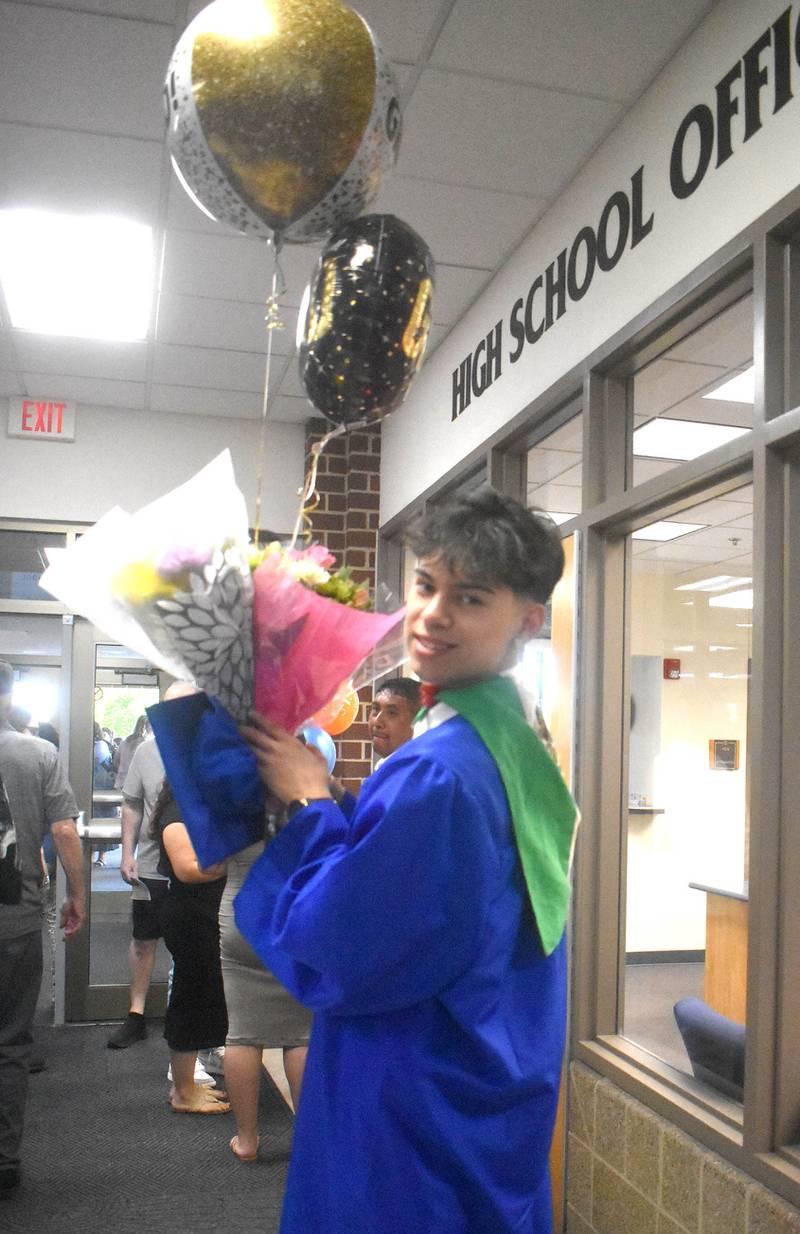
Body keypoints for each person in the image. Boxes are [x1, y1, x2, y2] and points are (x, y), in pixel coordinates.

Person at [238, 486, 578, 1234]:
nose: (433, 614)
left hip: (411, 1089)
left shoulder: (440, 772)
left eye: (471, 597)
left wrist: (309, 802)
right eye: (427, 585)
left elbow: (344, 946)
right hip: (489, 1065)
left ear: (528, 618)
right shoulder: (518, 739)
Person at [0, 660, 85, 1195]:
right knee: (10, 1041)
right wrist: (76, 893)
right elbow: (62, 828)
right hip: (15, 919)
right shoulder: (36, 753)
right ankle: (4, 1160)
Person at [108, 682, 206, 1063]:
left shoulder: (211, 751)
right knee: (144, 938)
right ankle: (136, 1014)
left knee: (194, 946)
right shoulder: (147, 752)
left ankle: (188, 1021)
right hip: (151, 863)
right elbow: (132, 804)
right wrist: (126, 853)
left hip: (198, 867)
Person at [219, 830, 312, 1161]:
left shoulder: (231, 794)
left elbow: (210, 863)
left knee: (242, 1033)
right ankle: (307, 1141)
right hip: (294, 911)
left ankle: (247, 1141)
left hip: (241, 910)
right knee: (302, 1034)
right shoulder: (305, 790)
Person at [149, 779, 230, 1116]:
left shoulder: (202, 806)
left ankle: (189, 1083)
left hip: (208, 915)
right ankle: (182, 1089)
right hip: (190, 917)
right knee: (191, 997)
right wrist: (239, 859)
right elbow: (188, 869)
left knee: (207, 996)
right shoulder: (178, 810)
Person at [366, 677, 421, 765]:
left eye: (391, 713)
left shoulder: (424, 774)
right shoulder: (384, 767)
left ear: (417, 722)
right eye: (375, 709)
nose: (377, 721)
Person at [114, 714, 149, 789]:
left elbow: (116, 760)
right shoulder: (145, 744)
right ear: (147, 728)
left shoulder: (124, 741)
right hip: (137, 782)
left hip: (122, 780)